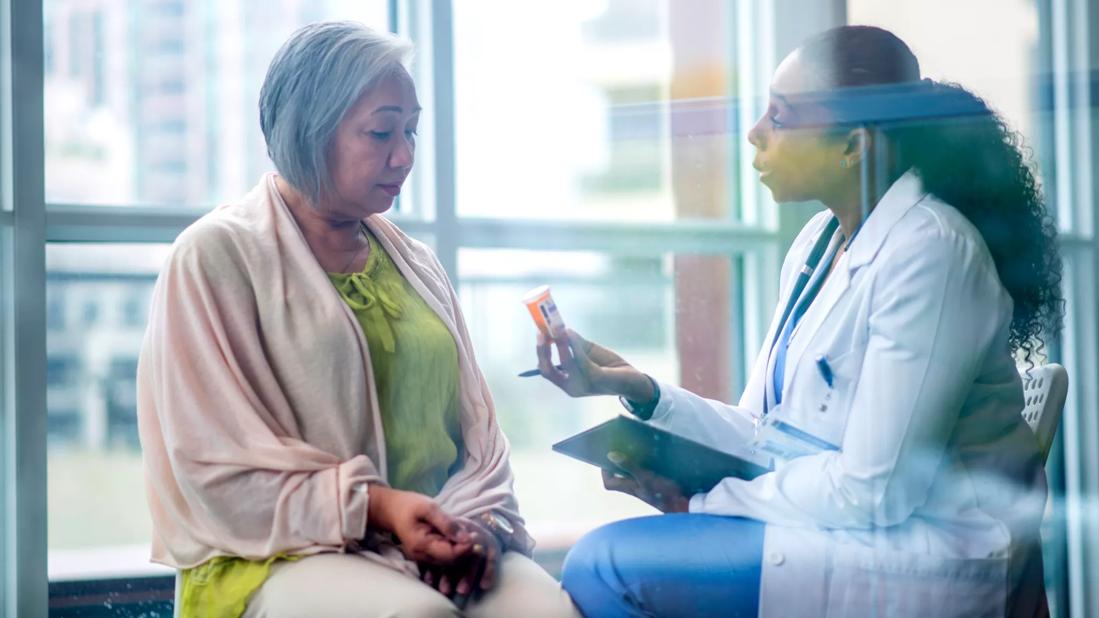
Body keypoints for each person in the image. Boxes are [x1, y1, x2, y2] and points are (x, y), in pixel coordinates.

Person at [535, 25, 1062, 617]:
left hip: (916, 554)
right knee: (601, 560)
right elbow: (767, 431)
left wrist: (704, 504)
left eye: (780, 118)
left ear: (853, 146)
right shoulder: (818, 245)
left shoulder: (932, 250)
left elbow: (876, 490)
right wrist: (645, 394)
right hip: (830, 532)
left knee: (602, 566)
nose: (756, 134)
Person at [136, 21, 578, 617]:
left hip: (436, 535)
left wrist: (478, 525)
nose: (405, 155)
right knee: (418, 616)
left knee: (547, 611)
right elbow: (210, 464)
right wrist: (378, 506)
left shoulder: (415, 262)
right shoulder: (215, 255)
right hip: (275, 553)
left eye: (411, 130)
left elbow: (480, 439)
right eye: (380, 132)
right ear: (308, 131)